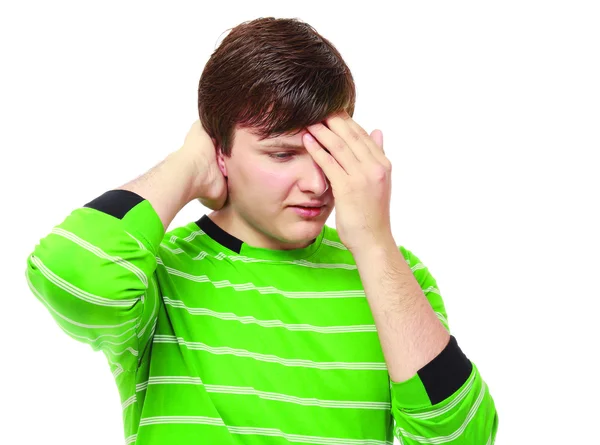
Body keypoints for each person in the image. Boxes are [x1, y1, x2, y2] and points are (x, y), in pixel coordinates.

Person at [25, 17, 498, 445]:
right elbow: (70, 274)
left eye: (328, 152)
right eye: (282, 154)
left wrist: (374, 244)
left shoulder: (394, 275)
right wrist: (185, 166)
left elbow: (461, 439)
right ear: (221, 152)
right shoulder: (158, 273)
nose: (316, 184)